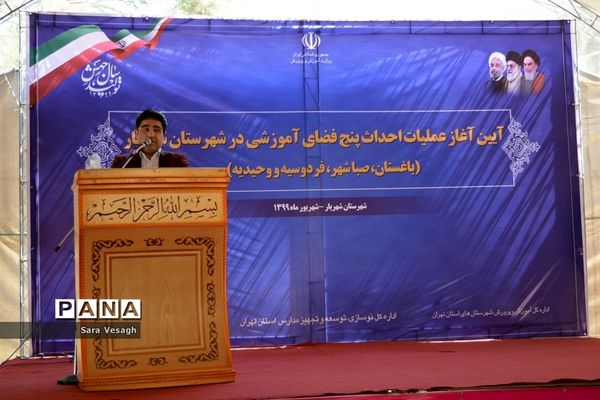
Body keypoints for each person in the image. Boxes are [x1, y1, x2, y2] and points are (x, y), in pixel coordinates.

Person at [111, 109, 190, 168]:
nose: (151, 135)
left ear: (164, 135)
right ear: (137, 134)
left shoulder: (177, 162)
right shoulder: (121, 162)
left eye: (156, 130)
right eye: (146, 129)